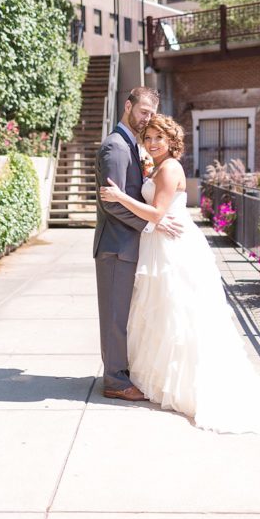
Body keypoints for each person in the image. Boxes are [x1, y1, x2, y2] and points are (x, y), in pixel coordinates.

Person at [99, 114, 260, 432]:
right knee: (159, 313)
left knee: (178, 313)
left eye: (159, 138)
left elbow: (157, 212)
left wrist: (120, 196)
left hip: (172, 248)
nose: (152, 143)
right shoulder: (156, 165)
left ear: (171, 141)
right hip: (158, 244)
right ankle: (161, 376)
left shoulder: (169, 168)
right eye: (148, 137)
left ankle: (185, 383)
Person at [93, 87, 183, 402]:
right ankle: (115, 381)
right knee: (115, 317)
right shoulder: (116, 147)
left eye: (151, 114)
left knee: (126, 316)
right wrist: (151, 223)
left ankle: (122, 372)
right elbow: (113, 204)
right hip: (116, 247)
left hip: (130, 247)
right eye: (143, 111)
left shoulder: (132, 144)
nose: (146, 119)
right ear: (128, 105)